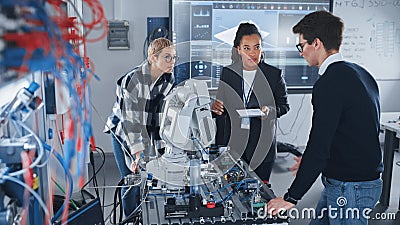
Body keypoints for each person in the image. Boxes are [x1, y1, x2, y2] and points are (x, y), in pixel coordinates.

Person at [267, 11, 383, 225]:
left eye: (301, 46)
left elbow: (319, 144)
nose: (301, 52)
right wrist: (315, 161)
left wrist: (291, 198)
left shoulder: (329, 83)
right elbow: (352, 132)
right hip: (353, 181)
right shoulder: (361, 73)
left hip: (350, 188)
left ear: (317, 43)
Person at [104, 38, 177, 218]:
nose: (172, 62)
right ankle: (130, 219)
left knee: (151, 176)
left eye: (174, 57)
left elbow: (160, 117)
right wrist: (138, 155)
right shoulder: (133, 81)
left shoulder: (168, 78)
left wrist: (163, 151)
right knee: (132, 180)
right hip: (124, 131)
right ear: (152, 58)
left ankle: (145, 217)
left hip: (148, 127)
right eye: (167, 57)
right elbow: (131, 123)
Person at [212, 22, 289, 183]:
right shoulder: (228, 73)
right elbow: (220, 108)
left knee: (258, 195)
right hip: (232, 146)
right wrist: (215, 108)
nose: (253, 53)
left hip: (262, 147)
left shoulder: (273, 75)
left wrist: (270, 111)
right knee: (230, 194)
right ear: (238, 50)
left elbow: (284, 106)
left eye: (257, 47)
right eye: (246, 48)